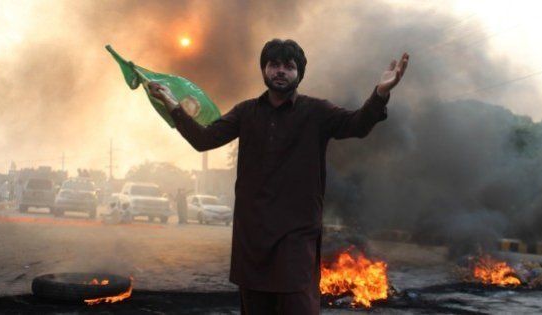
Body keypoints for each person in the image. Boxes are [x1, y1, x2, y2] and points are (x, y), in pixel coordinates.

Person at [148, 39, 409, 315]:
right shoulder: (245, 112)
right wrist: (172, 104)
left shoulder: (316, 112)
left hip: (297, 237)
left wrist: (380, 93)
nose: (280, 71)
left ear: (299, 74)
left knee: (300, 306)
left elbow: (358, 125)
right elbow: (204, 139)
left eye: (288, 66)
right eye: (274, 65)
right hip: (253, 238)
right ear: (264, 70)